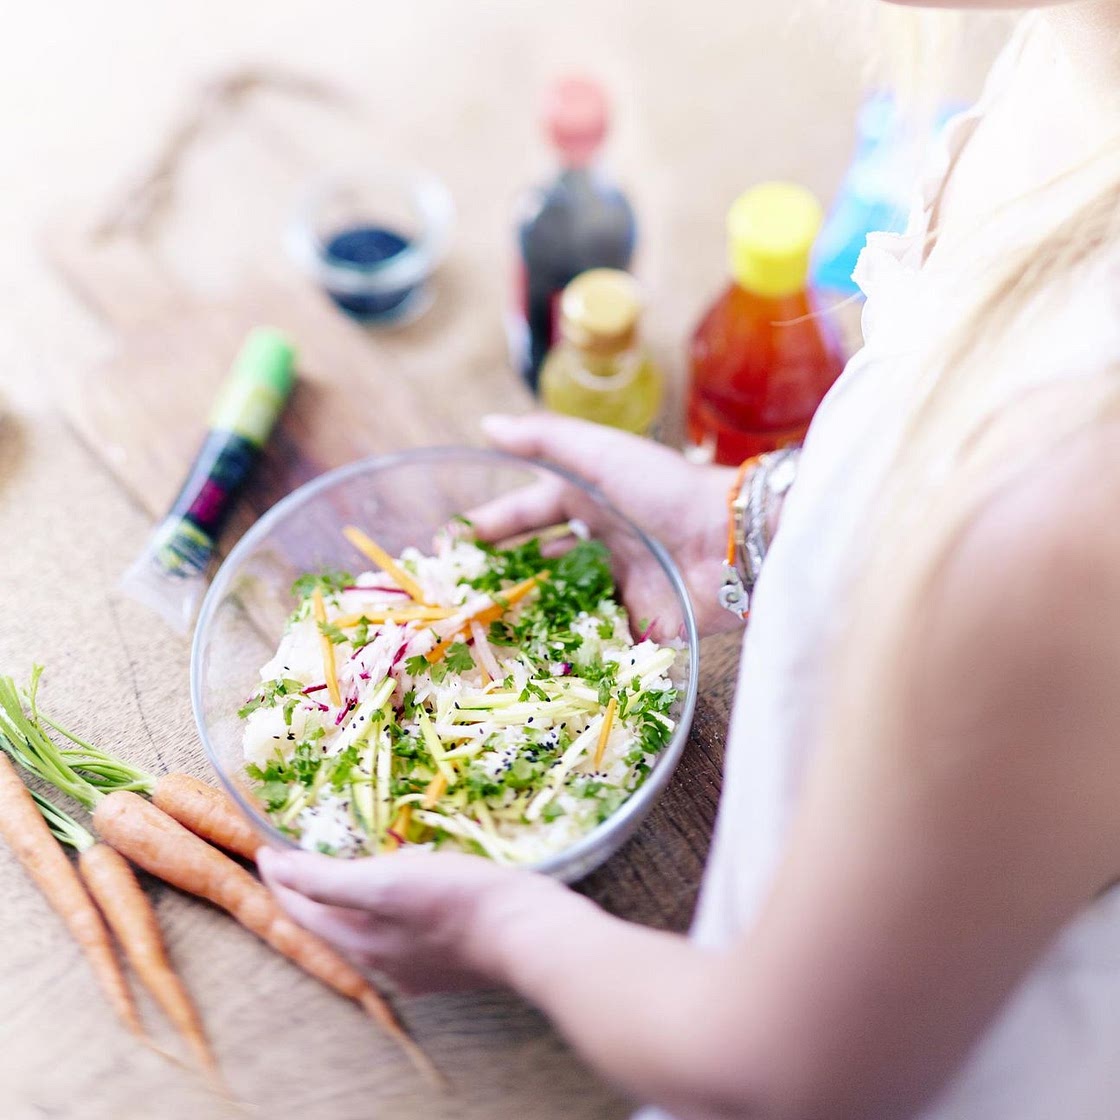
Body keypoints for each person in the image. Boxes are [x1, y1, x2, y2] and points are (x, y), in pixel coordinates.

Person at [257, 2, 1120, 1116]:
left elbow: (791, 1067)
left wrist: (507, 926)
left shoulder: (1057, 508)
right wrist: (749, 517)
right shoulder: (1074, 53)